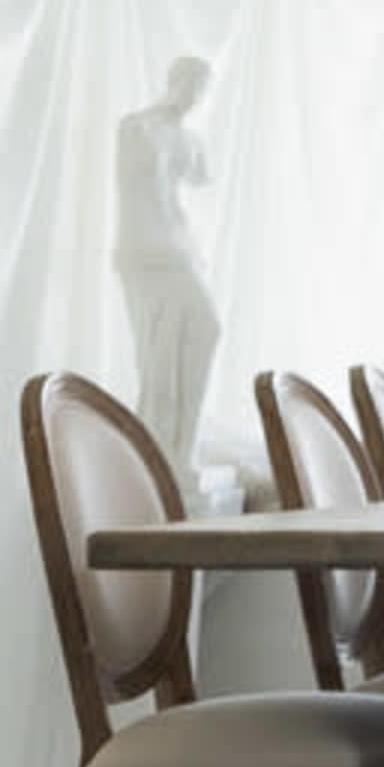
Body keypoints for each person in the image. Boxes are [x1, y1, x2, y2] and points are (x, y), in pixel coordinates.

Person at [113, 50, 223, 469]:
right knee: (157, 352)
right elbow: (132, 196)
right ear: (175, 82)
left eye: (203, 91)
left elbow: (199, 180)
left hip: (180, 249)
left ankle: (183, 448)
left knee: (205, 330)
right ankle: (157, 451)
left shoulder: (190, 141)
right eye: (193, 86)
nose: (196, 98)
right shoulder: (136, 128)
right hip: (145, 253)